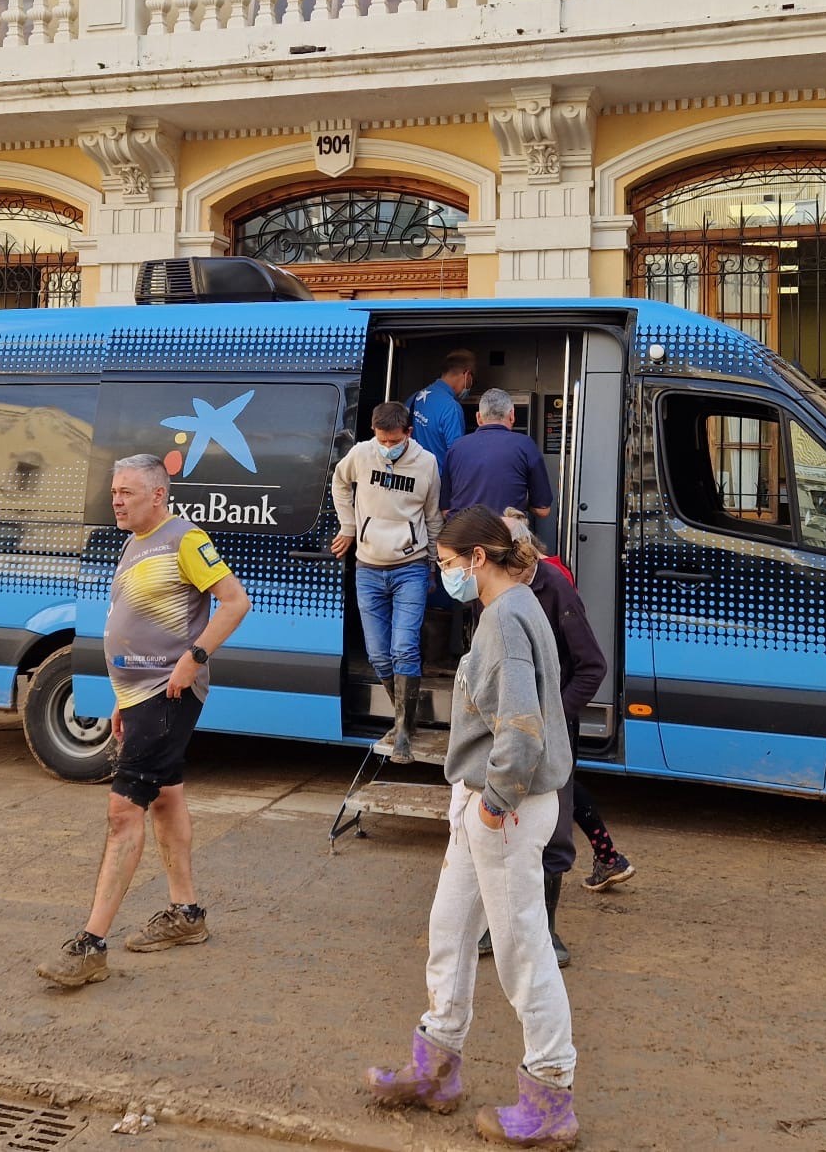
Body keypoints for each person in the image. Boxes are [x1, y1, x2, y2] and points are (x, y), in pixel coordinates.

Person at [365, 506, 579, 1147]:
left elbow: (520, 725)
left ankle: (550, 1097)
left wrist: (495, 798)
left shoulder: (506, 619)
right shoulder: (515, 606)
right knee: (451, 930)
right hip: (486, 802)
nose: (444, 573)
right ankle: (435, 1068)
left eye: (448, 563)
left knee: (521, 951)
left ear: (477, 559)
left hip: (503, 807)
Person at [37, 454, 251, 991]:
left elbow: (234, 602)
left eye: (128, 492)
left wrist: (194, 659)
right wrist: (121, 699)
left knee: (122, 812)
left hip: (170, 692)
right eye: (114, 490)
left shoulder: (186, 539)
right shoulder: (134, 543)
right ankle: (187, 914)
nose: (116, 499)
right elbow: (132, 627)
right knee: (166, 796)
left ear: (158, 494)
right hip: (139, 696)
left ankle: (91, 944)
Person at [497, 510, 635, 898]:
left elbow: (592, 666)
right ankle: (607, 857)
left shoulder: (554, 584)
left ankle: (547, 923)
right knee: (545, 795)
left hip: (549, 719)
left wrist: (553, 717)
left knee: (556, 798)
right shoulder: (493, 587)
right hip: (510, 721)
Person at [331, 400, 443, 763]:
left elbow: (433, 515)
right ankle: (403, 718)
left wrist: (434, 563)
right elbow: (339, 482)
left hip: (410, 566)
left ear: (407, 434)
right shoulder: (362, 454)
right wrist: (349, 526)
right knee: (379, 654)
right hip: (367, 567)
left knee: (404, 648)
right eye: (381, 439)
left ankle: (404, 733)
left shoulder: (426, 463)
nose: (386, 446)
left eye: (393, 440)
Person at [442, 390, 553, 521]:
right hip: (504, 535)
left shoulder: (456, 447)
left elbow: (446, 510)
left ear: (478, 417)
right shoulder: (526, 445)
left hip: (462, 536)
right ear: (512, 415)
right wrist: (521, 499)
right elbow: (543, 510)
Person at [407, 350, 476, 463]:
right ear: (467, 375)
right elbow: (456, 456)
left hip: (411, 476)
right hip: (437, 478)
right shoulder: (452, 408)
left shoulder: (414, 398)